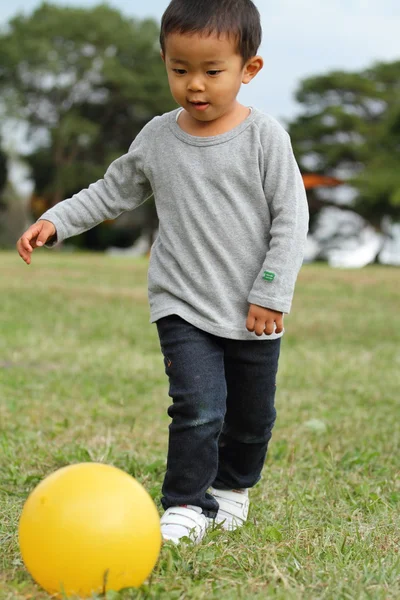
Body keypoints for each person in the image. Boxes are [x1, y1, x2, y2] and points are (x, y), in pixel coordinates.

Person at [17, 0, 309, 544]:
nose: (194, 85)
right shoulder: (157, 138)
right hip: (182, 302)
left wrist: (272, 290)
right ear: (165, 62)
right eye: (180, 69)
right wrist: (55, 220)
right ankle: (184, 504)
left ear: (250, 69)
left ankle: (230, 490)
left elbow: (292, 217)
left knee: (251, 418)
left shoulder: (265, 138)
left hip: (253, 308)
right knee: (198, 407)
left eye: (212, 71)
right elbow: (111, 191)